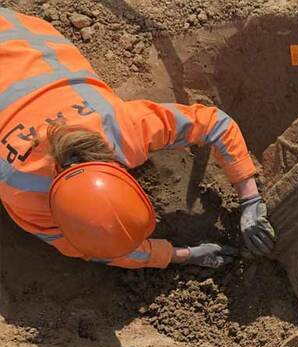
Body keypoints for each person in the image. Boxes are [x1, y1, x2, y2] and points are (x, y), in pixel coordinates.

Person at [0, 8, 275, 269]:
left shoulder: (124, 128)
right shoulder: (21, 192)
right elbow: (99, 250)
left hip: (19, 33)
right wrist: (181, 256)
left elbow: (215, 124)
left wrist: (249, 198)